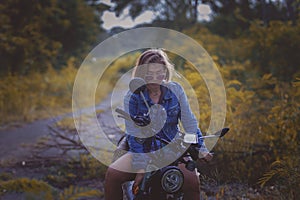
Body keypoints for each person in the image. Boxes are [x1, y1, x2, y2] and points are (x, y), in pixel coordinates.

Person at [105, 49, 213, 200]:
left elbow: (189, 122)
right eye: (149, 75)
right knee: (112, 175)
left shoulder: (176, 90)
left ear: (166, 71)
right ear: (141, 74)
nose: (155, 79)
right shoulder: (133, 96)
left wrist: (201, 148)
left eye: (159, 73)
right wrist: (141, 168)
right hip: (142, 150)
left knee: (192, 183)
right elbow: (133, 134)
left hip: (172, 147)